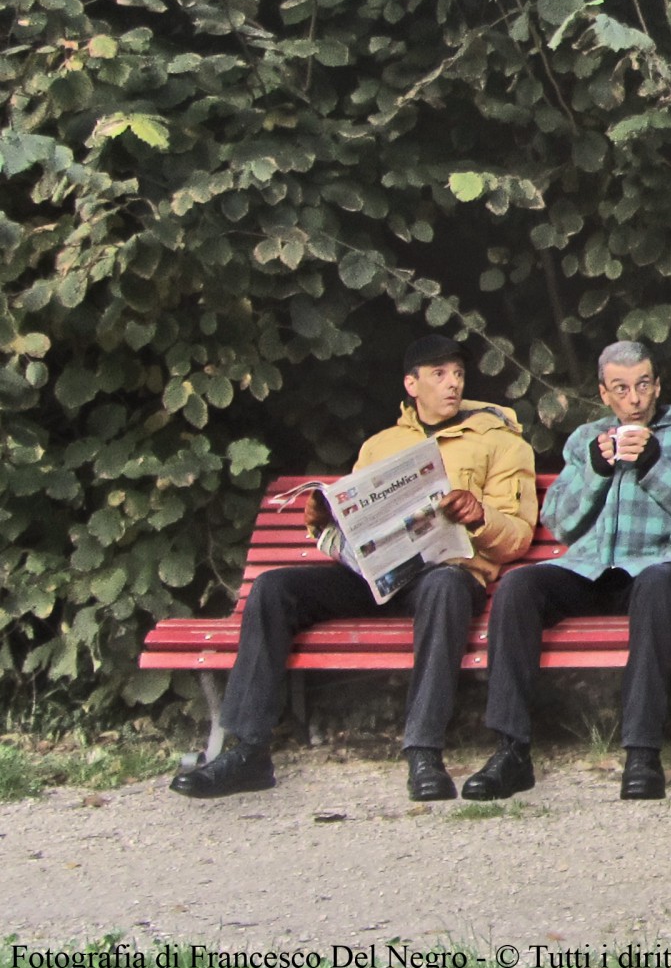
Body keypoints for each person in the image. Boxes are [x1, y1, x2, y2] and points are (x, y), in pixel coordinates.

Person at [171, 336, 539, 802]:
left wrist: (480, 515)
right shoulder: (380, 445)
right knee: (273, 587)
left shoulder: (500, 442)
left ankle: (424, 753)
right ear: (412, 385)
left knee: (446, 585)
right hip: (376, 574)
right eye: (439, 374)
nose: (453, 384)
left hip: (443, 573)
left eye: (459, 374)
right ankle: (249, 752)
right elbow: (358, 520)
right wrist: (325, 520)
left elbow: (517, 536)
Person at [461, 341, 671, 803]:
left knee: (656, 583)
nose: (635, 399)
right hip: (591, 569)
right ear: (605, 394)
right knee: (518, 586)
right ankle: (511, 752)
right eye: (621, 389)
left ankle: (642, 755)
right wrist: (595, 469)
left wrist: (655, 466)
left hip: (663, 567)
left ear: (658, 386)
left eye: (643, 385)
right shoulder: (587, 439)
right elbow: (561, 523)